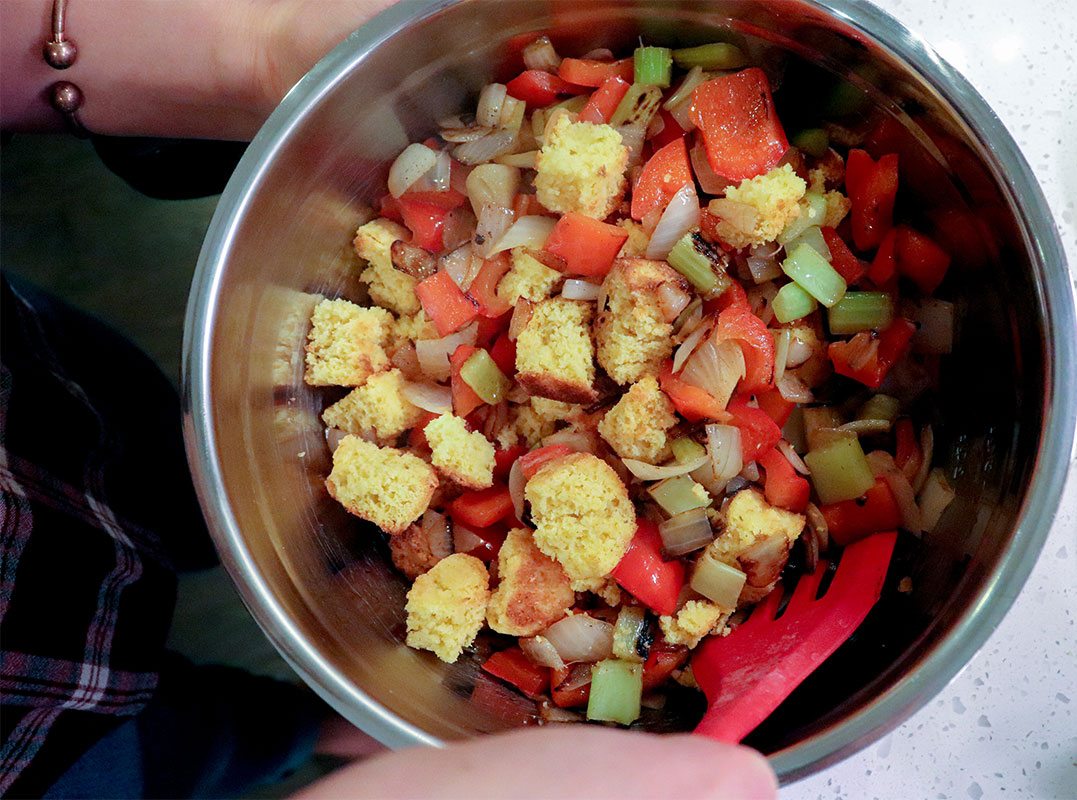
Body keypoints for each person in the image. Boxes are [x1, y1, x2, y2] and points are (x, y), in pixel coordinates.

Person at [0, 2, 779, 797]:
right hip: (46, 764)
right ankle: (304, 731)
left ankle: (315, 727)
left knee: (136, 449)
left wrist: (265, 51)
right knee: (173, 755)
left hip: (36, 409)